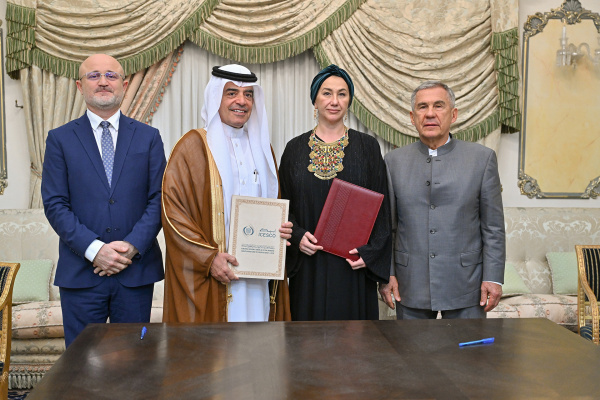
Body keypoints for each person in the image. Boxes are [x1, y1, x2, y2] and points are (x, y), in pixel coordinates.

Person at [42, 54, 166, 347]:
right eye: (94, 75)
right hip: (81, 273)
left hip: (135, 271)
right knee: (81, 363)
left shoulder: (148, 137)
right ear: (79, 86)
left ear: (124, 84)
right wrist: (95, 250)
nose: (103, 82)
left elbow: (160, 198)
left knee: (135, 360)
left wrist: (131, 247)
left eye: (111, 75)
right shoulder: (60, 139)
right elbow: (55, 204)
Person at [161, 64, 291, 322]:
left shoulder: (264, 150)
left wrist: (282, 229)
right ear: (215, 97)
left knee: (259, 340)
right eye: (231, 93)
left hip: (258, 278)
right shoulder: (193, 147)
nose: (241, 101)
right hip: (213, 276)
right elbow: (173, 213)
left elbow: (273, 208)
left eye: (248, 94)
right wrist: (209, 259)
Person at [380, 81, 506, 319]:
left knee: (469, 345)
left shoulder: (482, 159)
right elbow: (388, 228)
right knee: (410, 346)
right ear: (412, 117)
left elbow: (493, 228)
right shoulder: (393, 162)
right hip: (410, 284)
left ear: (453, 114)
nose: (430, 114)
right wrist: (388, 274)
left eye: (438, 106)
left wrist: (493, 277)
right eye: (422, 107)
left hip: (467, 284)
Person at [279, 64, 391, 321]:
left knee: (354, 342)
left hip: (353, 267)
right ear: (315, 100)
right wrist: (297, 236)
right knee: (306, 340)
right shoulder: (294, 149)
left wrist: (370, 254)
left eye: (342, 94)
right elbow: (283, 205)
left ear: (349, 100)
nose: (334, 101)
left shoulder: (368, 147)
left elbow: (382, 209)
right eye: (327, 93)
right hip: (308, 266)